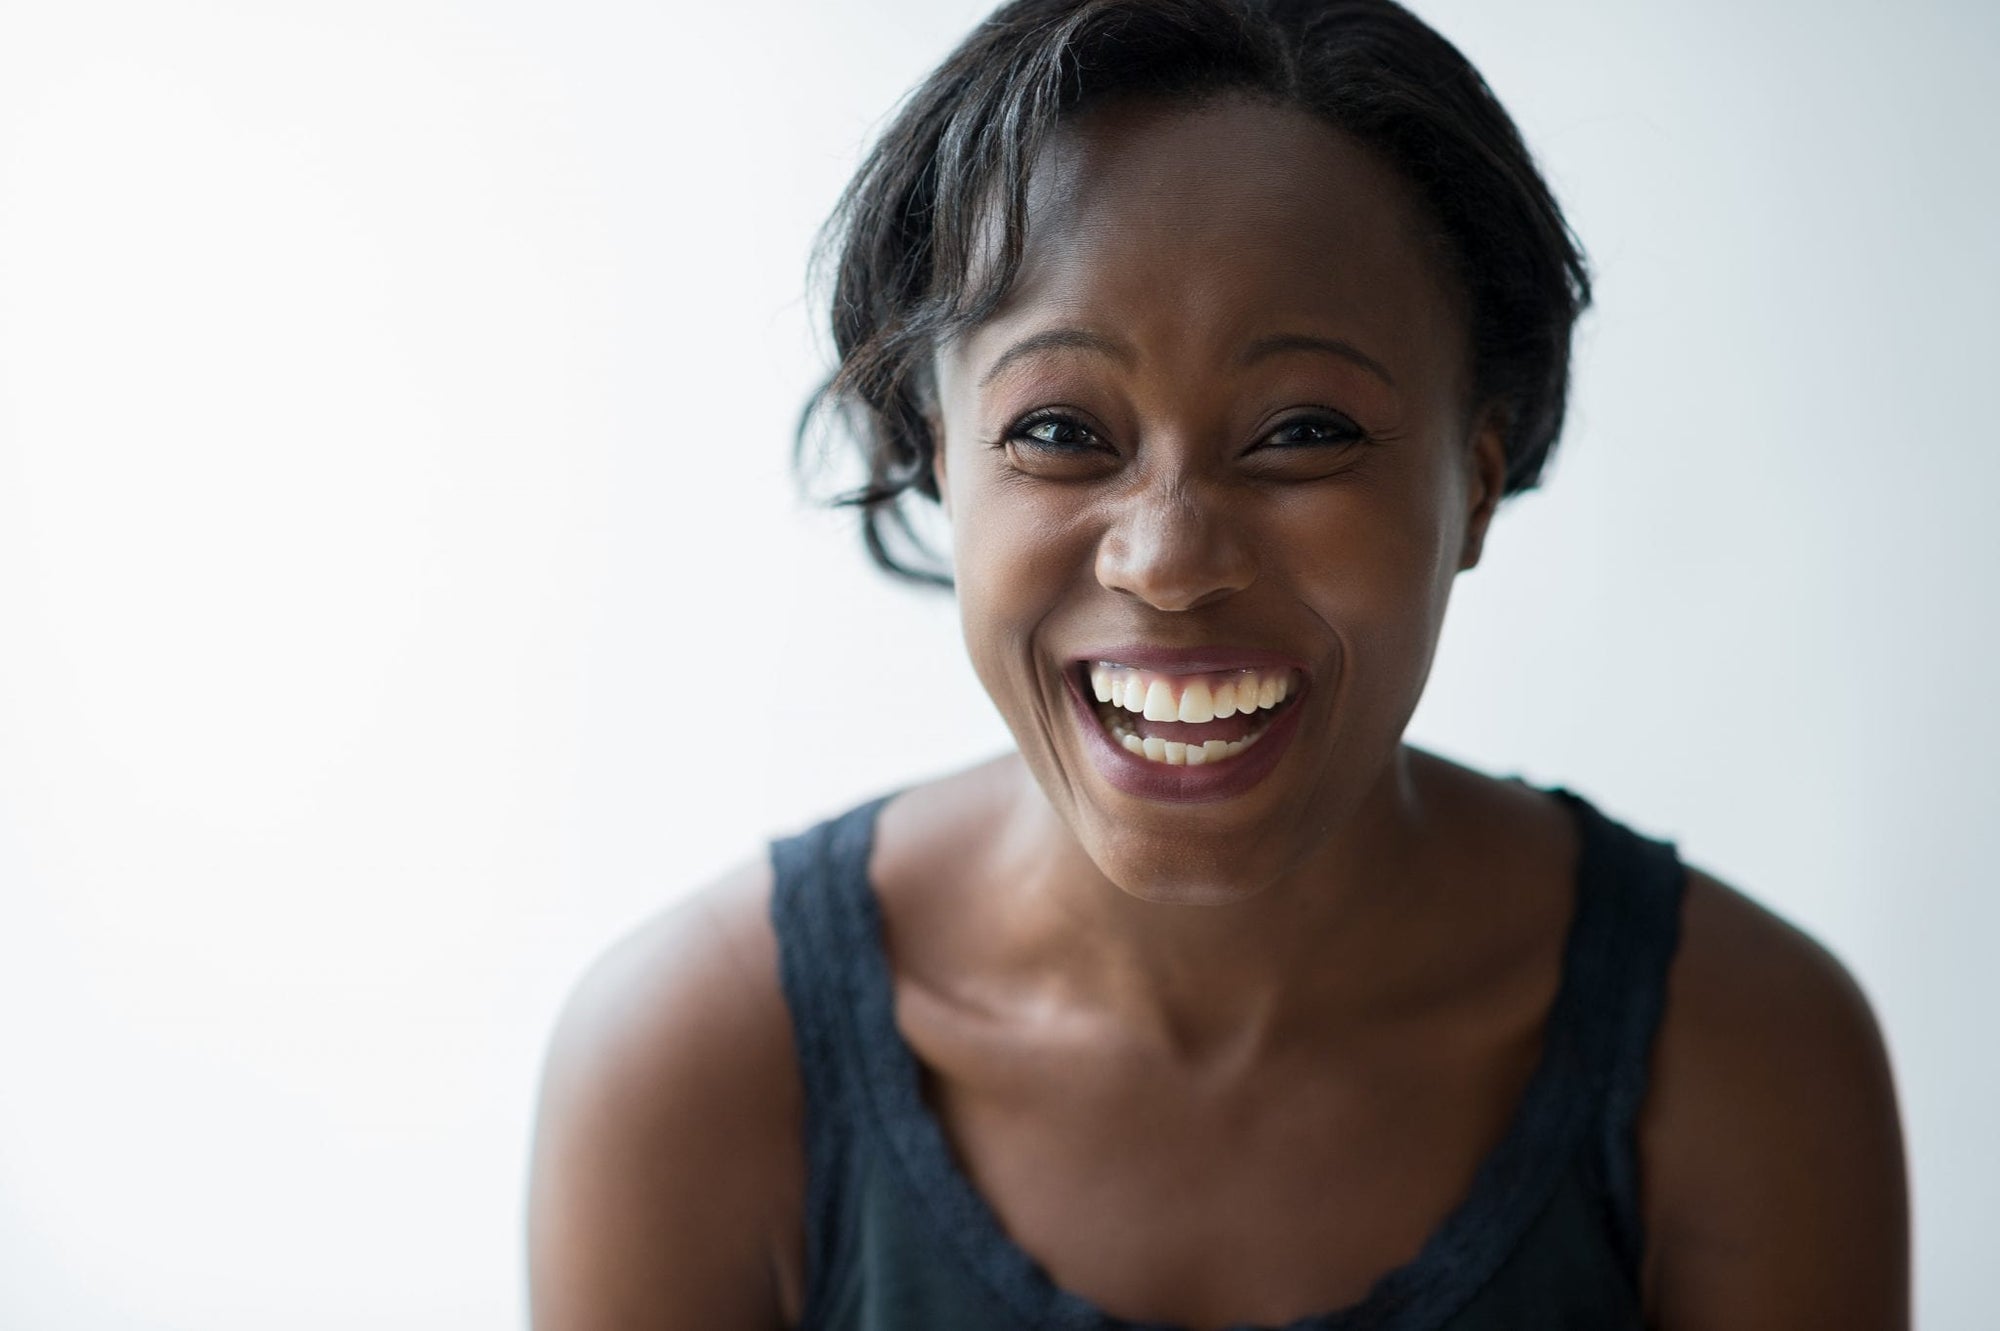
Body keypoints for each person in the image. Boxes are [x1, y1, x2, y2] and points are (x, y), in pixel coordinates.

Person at [527, 1, 1909, 1326]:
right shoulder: (701, 1068)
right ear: (939, 461)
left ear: (1476, 481)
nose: (1171, 559)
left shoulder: (1738, 1059)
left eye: (1305, 432)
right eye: (1059, 432)